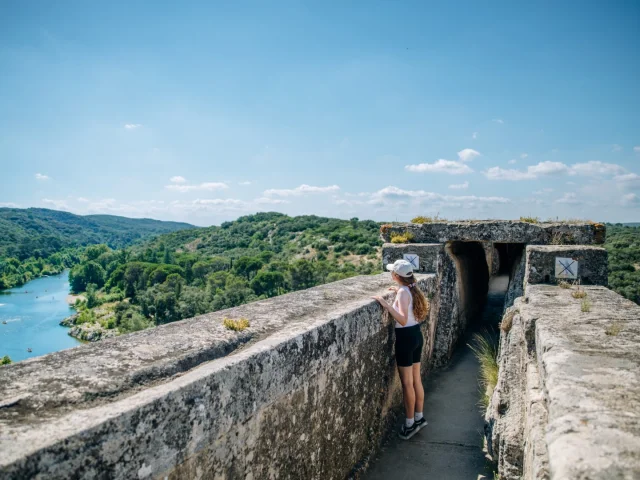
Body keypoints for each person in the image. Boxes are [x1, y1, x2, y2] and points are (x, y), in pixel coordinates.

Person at [372, 259, 430, 440]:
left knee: (407, 384)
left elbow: (403, 320)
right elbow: (407, 303)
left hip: (405, 338)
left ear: (396, 276)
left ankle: (409, 424)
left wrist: (386, 304)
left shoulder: (405, 292)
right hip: (416, 335)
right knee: (416, 380)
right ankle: (419, 417)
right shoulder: (410, 289)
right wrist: (398, 293)